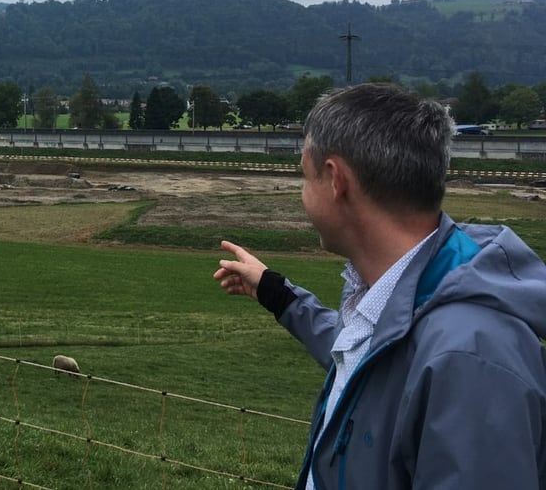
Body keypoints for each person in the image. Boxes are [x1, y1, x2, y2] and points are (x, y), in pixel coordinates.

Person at [213, 82, 546, 489]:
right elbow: (366, 358)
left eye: (305, 175)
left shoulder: (471, 358)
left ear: (337, 181)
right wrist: (275, 292)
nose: (302, 193)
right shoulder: (413, 288)